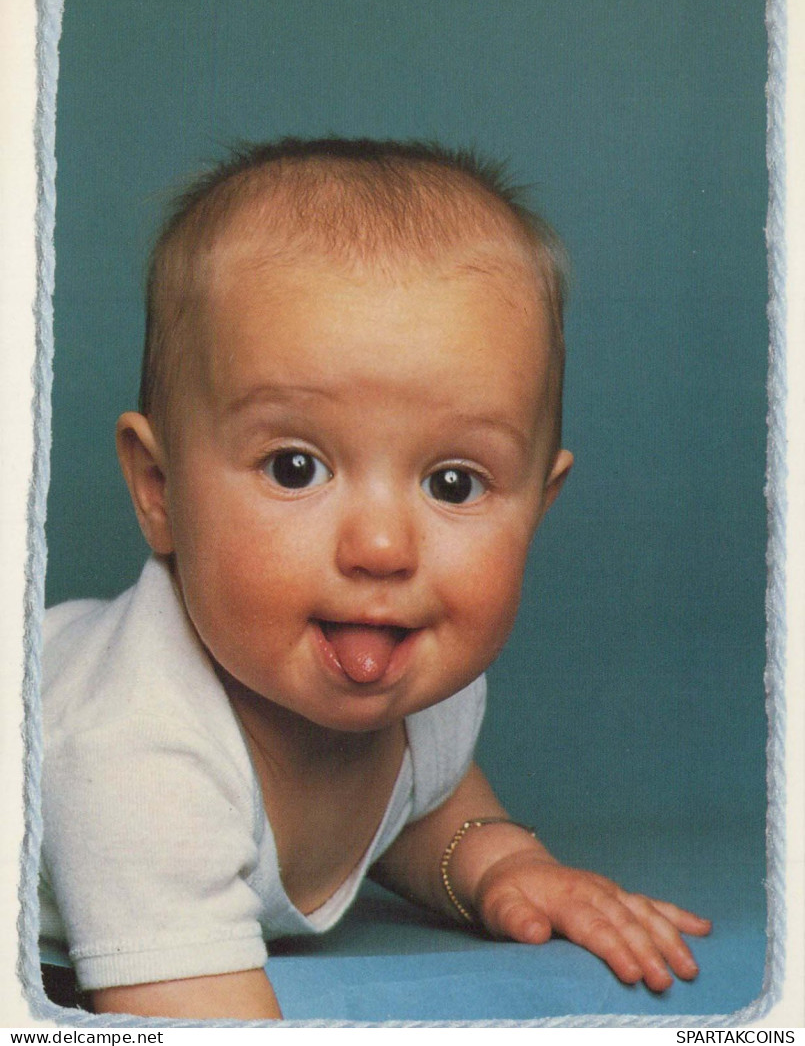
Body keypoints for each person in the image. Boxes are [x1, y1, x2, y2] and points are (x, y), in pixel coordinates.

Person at [39, 138, 711, 1019]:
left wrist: (505, 868)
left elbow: (416, 799)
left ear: (537, 507)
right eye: (293, 467)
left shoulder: (420, 679)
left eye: (452, 483)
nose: (384, 547)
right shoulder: (136, 757)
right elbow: (191, 1017)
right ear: (160, 491)